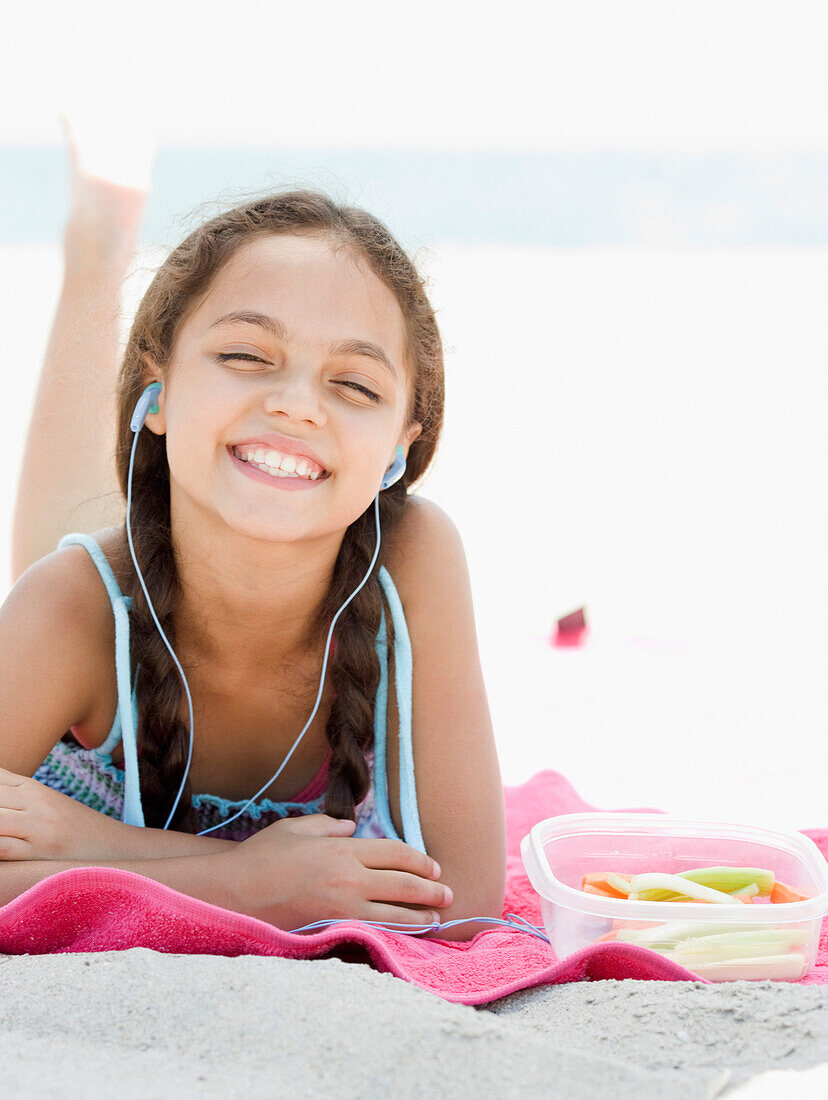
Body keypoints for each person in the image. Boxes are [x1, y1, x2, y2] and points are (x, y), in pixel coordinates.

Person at [0, 130, 505, 941]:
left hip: (154, 576)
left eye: (353, 383)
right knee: (61, 555)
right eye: (244, 353)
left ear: (401, 446)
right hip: (110, 618)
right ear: (156, 393)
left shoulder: (414, 558)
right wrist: (249, 882)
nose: (298, 405)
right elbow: (282, 886)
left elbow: (467, 901)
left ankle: (105, 231)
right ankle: (98, 243)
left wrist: (95, 848)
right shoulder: (69, 611)